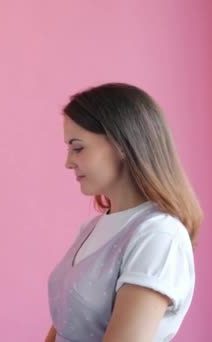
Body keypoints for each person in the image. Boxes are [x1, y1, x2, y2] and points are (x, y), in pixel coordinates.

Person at [46, 83, 202, 341]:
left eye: (78, 147)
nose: (68, 161)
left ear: (121, 145)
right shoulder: (91, 229)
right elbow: (63, 325)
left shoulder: (159, 236)